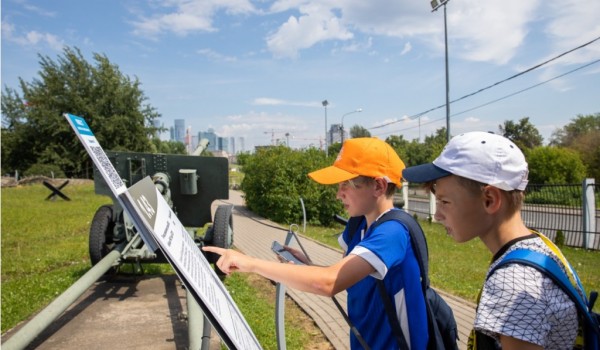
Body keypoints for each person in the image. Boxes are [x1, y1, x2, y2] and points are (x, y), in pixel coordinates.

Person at [203, 137, 429, 349]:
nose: (338, 195)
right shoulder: (359, 226)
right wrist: (309, 266)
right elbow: (345, 276)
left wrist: (249, 263)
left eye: (346, 185)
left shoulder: (392, 233)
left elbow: (329, 283)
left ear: (379, 186)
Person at [402, 131, 580, 350]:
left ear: (489, 199)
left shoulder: (514, 283)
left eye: (444, 202)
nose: (437, 215)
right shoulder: (539, 247)